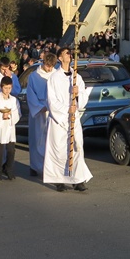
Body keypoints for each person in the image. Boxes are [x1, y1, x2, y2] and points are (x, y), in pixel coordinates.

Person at [43, 47, 91, 192]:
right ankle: (59, 180)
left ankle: (77, 180)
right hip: (59, 121)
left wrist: (78, 94)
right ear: (60, 58)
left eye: (70, 53)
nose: (69, 55)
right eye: (66, 53)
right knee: (59, 150)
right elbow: (51, 100)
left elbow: (84, 96)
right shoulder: (54, 78)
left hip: (73, 119)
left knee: (77, 147)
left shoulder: (77, 77)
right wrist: (66, 109)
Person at [25, 52, 56, 177]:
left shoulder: (55, 75)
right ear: (43, 63)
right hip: (39, 111)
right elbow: (30, 93)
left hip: (52, 110)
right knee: (37, 139)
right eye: (48, 66)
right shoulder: (34, 76)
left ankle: (49, 168)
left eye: (52, 66)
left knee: (51, 140)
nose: (49, 69)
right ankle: (35, 166)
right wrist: (38, 107)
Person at [0, 76, 20, 181]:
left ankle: (9, 170)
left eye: (9, 88)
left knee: (11, 151)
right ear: (1, 87)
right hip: (0, 129)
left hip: (9, 128)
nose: (7, 90)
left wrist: (11, 114)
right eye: (5, 88)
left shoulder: (14, 100)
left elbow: (18, 113)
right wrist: (1, 116)